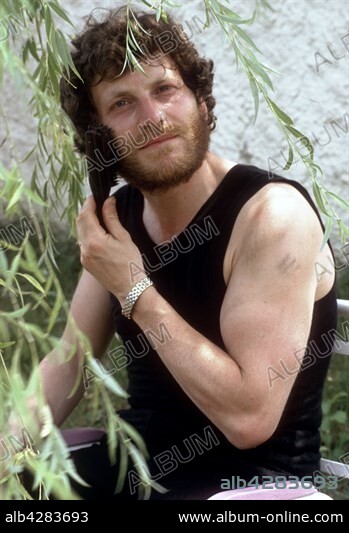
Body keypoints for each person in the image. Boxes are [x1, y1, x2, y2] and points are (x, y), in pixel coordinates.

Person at [34, 6, 339, 499]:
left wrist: (133, 286)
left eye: (164, 90)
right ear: (99, 136)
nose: (152, 119)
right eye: (122, 104)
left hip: (251, 487)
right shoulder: (119, 216)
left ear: (199, 98)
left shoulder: (270, 216)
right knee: (27, 478)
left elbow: (250, 417)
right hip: (140, 469)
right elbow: (69, 362)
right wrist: (10, 445)